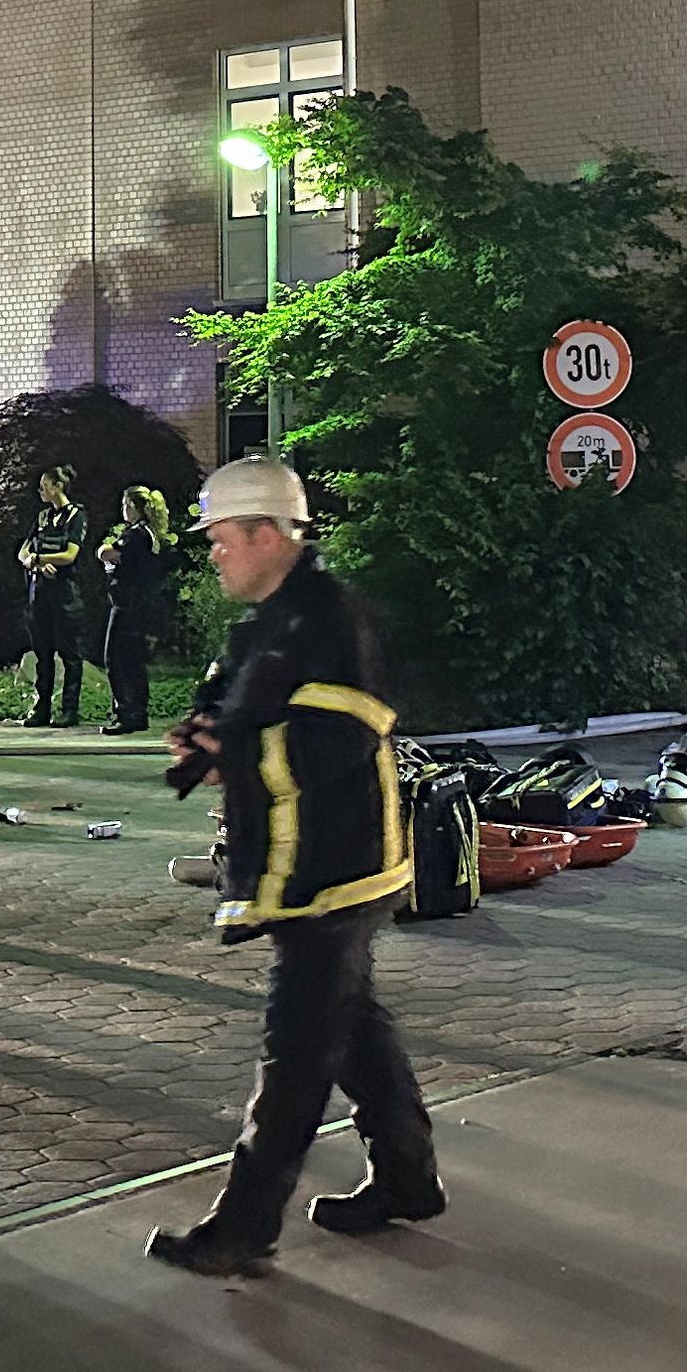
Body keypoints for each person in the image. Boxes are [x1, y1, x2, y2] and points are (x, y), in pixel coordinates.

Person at [146, 456, 435, 1279]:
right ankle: (409, 1180)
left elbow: (339, 738)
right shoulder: (275, 619)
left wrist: (233, 755)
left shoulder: (330, 620)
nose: (213, 554)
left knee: (299, 1051)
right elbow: (246, 707)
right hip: (311, 868)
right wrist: (208, 737)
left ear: (269, 536)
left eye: (222, 539)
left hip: (332, 872)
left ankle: (243, 1228)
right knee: (357, 1034)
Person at [99, 486, 174, 735]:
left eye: (125, 504)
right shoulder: (150, 534)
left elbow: (109, 553)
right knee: (133, 660)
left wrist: (104, 551)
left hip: (127, 604)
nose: (123, 509)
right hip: (140, 604)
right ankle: (137, 712)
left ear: (133, 506)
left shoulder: (134, 535)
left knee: (116, 658)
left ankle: (126, 712)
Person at [21, 467, 92, 729]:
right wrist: (36, 565)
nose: (40, 490)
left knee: (70, 654)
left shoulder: (76, 516)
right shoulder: (41, 517)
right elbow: (23, 553)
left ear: (58, 486)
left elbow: (70, 554)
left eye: (44, 485)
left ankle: (69, 710)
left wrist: (41, 558)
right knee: (42, 654)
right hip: (39, 596)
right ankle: (42, 708)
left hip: (65, 595)